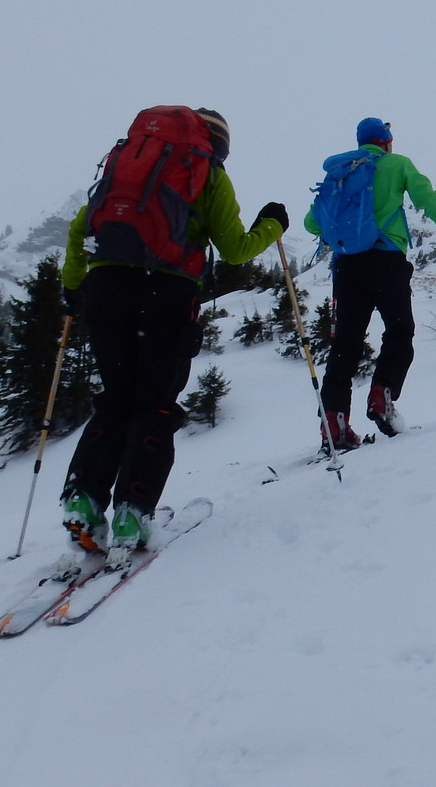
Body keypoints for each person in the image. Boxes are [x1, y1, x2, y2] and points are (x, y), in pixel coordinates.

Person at [60, 106, 286, 564]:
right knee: (155, 405)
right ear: (218, 145)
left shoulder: (129, 166)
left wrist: (72, 285)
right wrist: (273, 225)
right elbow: (236, 250)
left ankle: (82, 500)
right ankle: (132, 512)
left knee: (116, 399)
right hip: (165, 293)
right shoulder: (208, 174)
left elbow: (80, 228)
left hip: (104, 290)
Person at [305, 117, 436, 448]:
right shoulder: (397, 164)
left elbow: (312, 223)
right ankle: (382, 395)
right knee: (399, 331)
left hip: (347, 267)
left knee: (345, 346)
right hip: (386, 261)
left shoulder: (340, 173)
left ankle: (334, 427)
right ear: (386, 141)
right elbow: (428, 200)